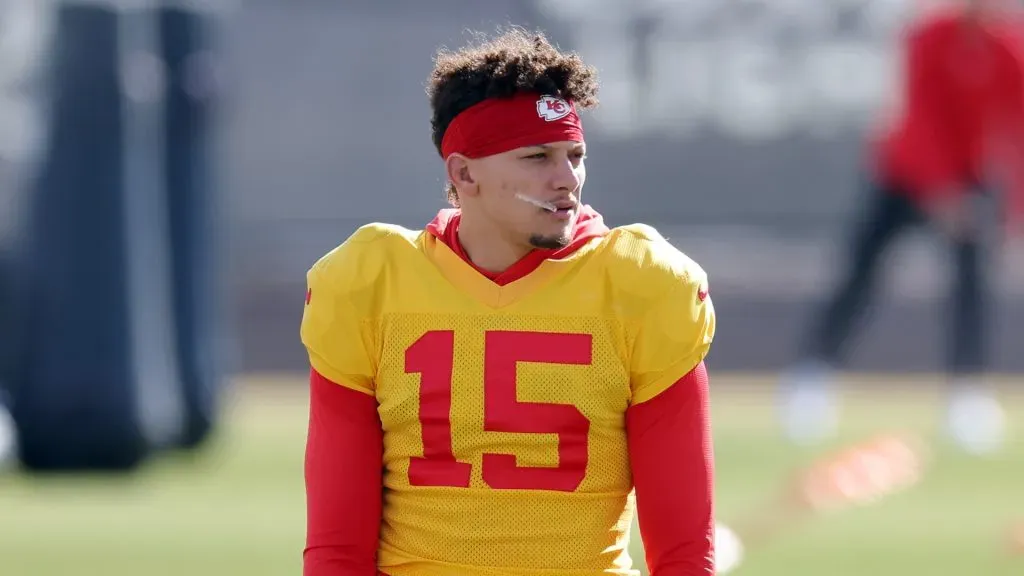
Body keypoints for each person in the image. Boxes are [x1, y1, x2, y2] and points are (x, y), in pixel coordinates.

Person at [300, 28, 717, 576]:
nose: (567, 178)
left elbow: (685, 550)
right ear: (463, 172)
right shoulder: (372, 283)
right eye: (538, 157)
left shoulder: (639, 284)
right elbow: (336, 548)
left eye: (575, 154)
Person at [780, 0, 1024, 454]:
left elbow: (1017, 129)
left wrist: (1013, 210)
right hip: (904, 174)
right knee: (859, 276)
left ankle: (966, 394)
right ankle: (812, 379)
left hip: (967, 181)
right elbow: (921, 119)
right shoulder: (929, 36)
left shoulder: (1007, 49)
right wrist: (943, 194)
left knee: (973, 288)